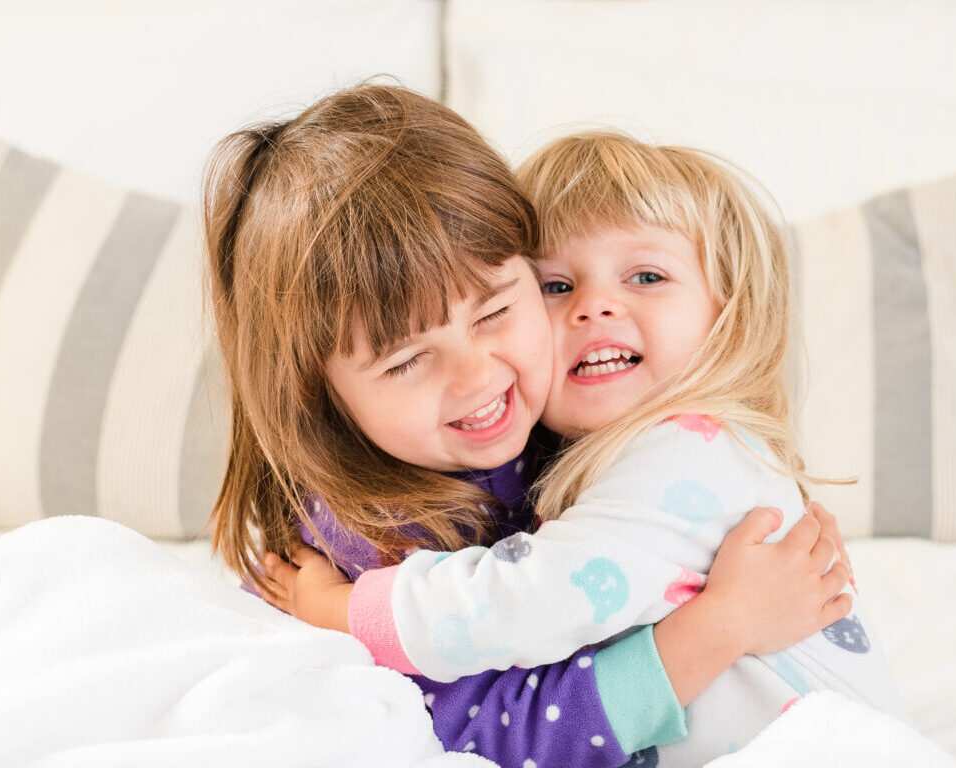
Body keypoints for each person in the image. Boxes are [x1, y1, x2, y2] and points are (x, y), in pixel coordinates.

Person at [203, 84, 856, 768]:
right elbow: (489, 731)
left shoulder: (680, 448)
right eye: (407, 360)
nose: (475, 376)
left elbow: (536, 597)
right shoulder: (368, 537)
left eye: (493, 313)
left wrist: (341, 609)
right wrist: (722, 625)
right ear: (315, 395)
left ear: (730, 310)